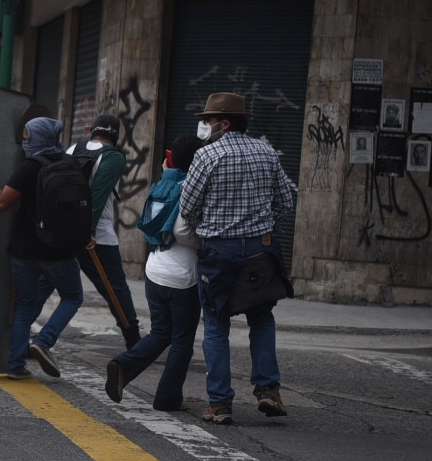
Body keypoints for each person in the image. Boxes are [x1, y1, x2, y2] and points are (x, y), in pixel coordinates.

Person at [178, 91, 297, 425]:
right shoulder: (266, 151)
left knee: (216, 325)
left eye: (209, 120)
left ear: (224, 123)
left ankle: (220, 404)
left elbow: (187, 209)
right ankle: (269, 391)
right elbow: (286, 201)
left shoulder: (206, 157)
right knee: (262, 318)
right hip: (261, 249)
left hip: (220, 252)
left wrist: (212, 222)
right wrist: (262, 224)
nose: (205, 126)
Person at [0, 115, 83, 379]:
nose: (24, 139)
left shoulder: (27, 167)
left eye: (27, 135)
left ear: (36, 137)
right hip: (59, 249)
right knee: (72, 296)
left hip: (24, 250)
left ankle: (15, 366)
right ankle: (44, 341)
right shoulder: (72, 163)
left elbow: (0, 202)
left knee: (24, 304)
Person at [105, 133, 203, 411]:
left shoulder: (164, 184)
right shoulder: (191, 188)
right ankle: (167, 398)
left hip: (155, 269)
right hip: (183, 277)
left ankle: (123, 366)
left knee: (161, 333)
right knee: (182, 340)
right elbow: (183, 231)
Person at [67, 114, 142, 349]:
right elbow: (97, 196)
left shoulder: (71, 149)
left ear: (92, 130)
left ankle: (21, 336)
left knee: (46, 281)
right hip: (96, 235)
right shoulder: (113, 157)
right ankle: (134, 339)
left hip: (63, 230)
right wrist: (87, 231)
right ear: (116, 135)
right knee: (115, 285)